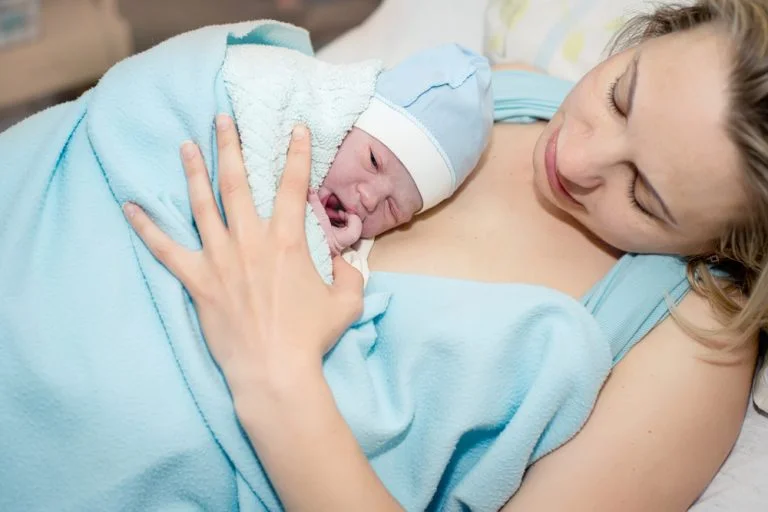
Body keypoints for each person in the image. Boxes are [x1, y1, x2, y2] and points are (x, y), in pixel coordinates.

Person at [126, 0, 767, 509]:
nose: (574, 158)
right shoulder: (507, 93)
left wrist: (275, 374)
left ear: (725, 244)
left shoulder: (696, 346)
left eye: (644, 195)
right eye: (620, 96)